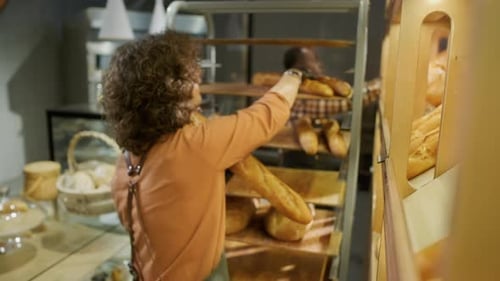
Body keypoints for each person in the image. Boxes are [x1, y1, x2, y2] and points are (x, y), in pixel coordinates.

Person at [101, 31, 302, 281]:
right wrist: (294, 74)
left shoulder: (125, 162)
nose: (199, 89)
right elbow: (269, 113)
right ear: (167, 94)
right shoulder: (198, 145)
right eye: (189, 79)